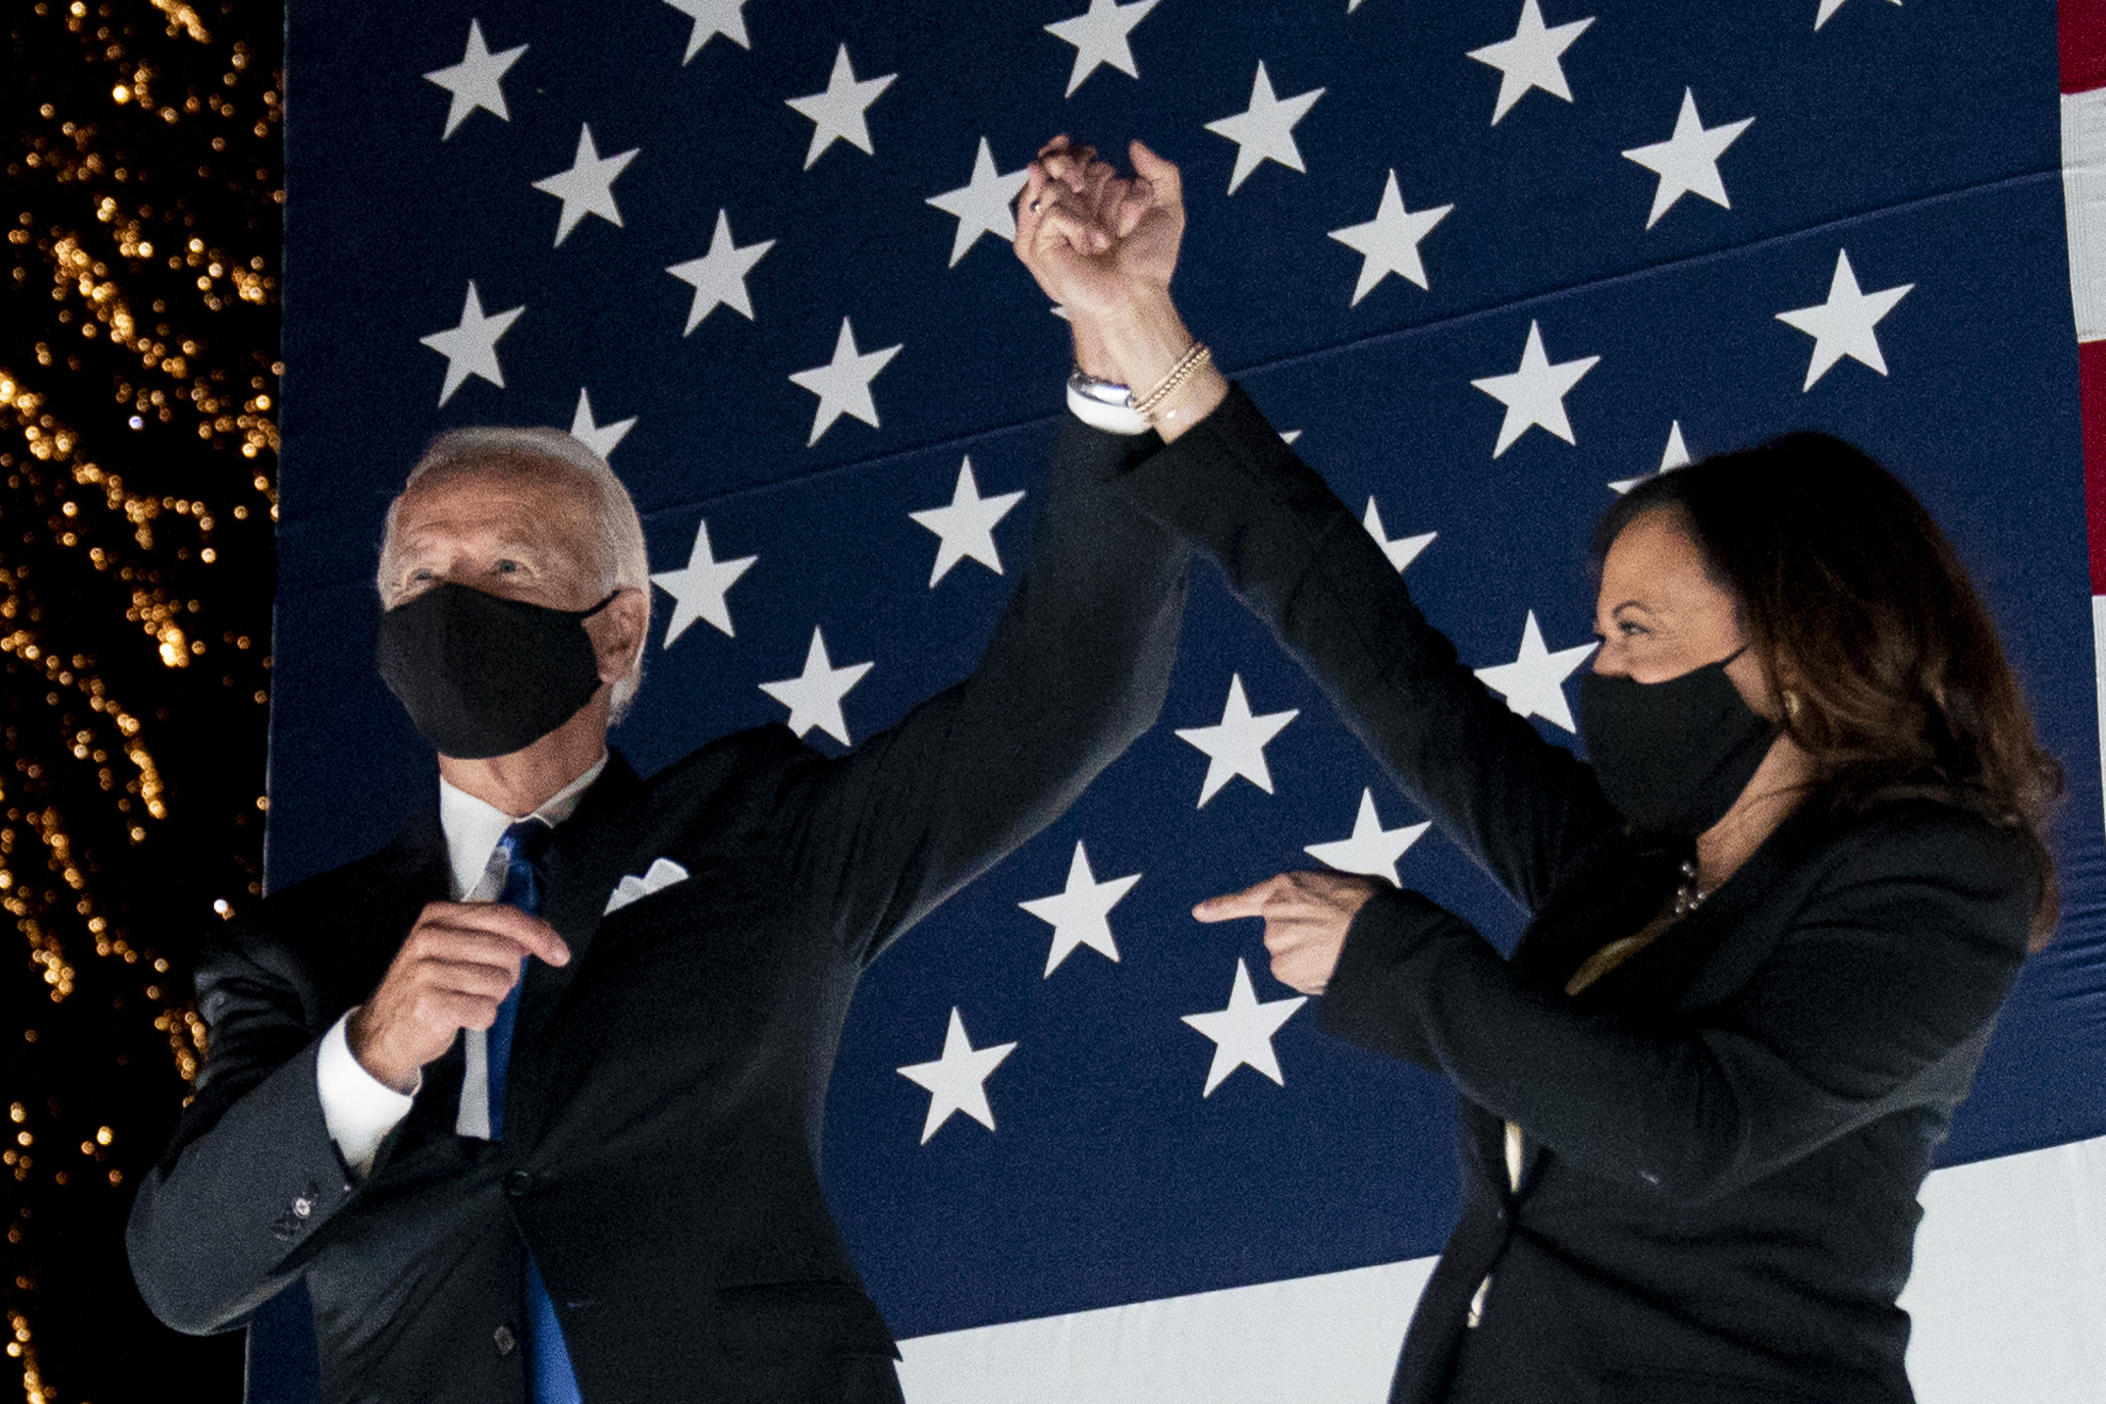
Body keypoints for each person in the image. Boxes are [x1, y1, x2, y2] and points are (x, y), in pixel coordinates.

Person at [1019, 138, 2061, 1403]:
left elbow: (1693, 1129)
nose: (1601, 673)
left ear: (1801, 649)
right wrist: (1139, 325)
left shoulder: (1945, 879)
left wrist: (1402, 960)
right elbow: (1391, 670)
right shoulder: (1626, 871)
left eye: (1638, 634)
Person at [125, 242, 1191, 1403]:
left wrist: (1114, 354)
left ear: (619, 631)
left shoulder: (764, 830)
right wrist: (374, 1051)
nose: (455, 608)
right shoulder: (299, 956)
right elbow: (184, 1278)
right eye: (422, 580)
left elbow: (1073, 692)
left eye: (509, 567)